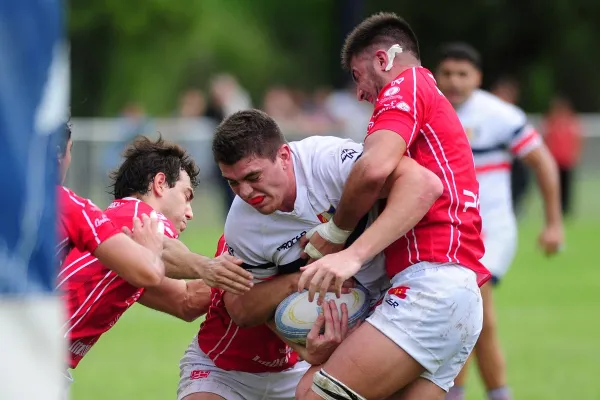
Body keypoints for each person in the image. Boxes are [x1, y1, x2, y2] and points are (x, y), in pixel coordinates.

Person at [176, 109, 443, 400]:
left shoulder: (327, 162)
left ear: (284, 156)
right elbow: (243, 309)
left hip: (412, 299)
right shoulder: (242, 225)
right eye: (233, 183)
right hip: (253, 364)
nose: (245, 192)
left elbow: (424, 184)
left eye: (253, 176)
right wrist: (298, 287)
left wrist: (350, 254)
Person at [296, 12, 491, 400]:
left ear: (384, 60)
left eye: (357, 75)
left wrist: (341, 243)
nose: (359, 93)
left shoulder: (408, 84)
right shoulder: (428, 97)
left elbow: (373, 169)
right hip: (455, 293)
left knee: (310, 394)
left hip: (430, 286)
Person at [58, 136, 251, 391]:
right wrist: (207, 266)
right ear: (160, 183)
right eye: (187, 195)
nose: (190, 212)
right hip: (26, 352)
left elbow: (186, 300)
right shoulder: (139, 214)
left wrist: (259, 275)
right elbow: (165, 249)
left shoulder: (125, 251)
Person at [434, 43, 564, 400]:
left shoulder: (500, 116)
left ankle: (467, 393)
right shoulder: (427, 110)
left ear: (478, 77)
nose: (455, 81)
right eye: (447, 73)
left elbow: (544, 163)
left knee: (472, 310)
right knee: (465, 316)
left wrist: (553, 223)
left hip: (491, 231)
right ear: (437, 74)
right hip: (446, 234)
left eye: (463, 74)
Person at [543, 95, 582, 217]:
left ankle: (566, 209)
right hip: (554, 160)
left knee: (567, 186)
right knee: (554, 185)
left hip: (566, 160)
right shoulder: (550, 122)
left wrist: (574, 155)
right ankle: (555, 208)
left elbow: (577, 140)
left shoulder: (571, 122)